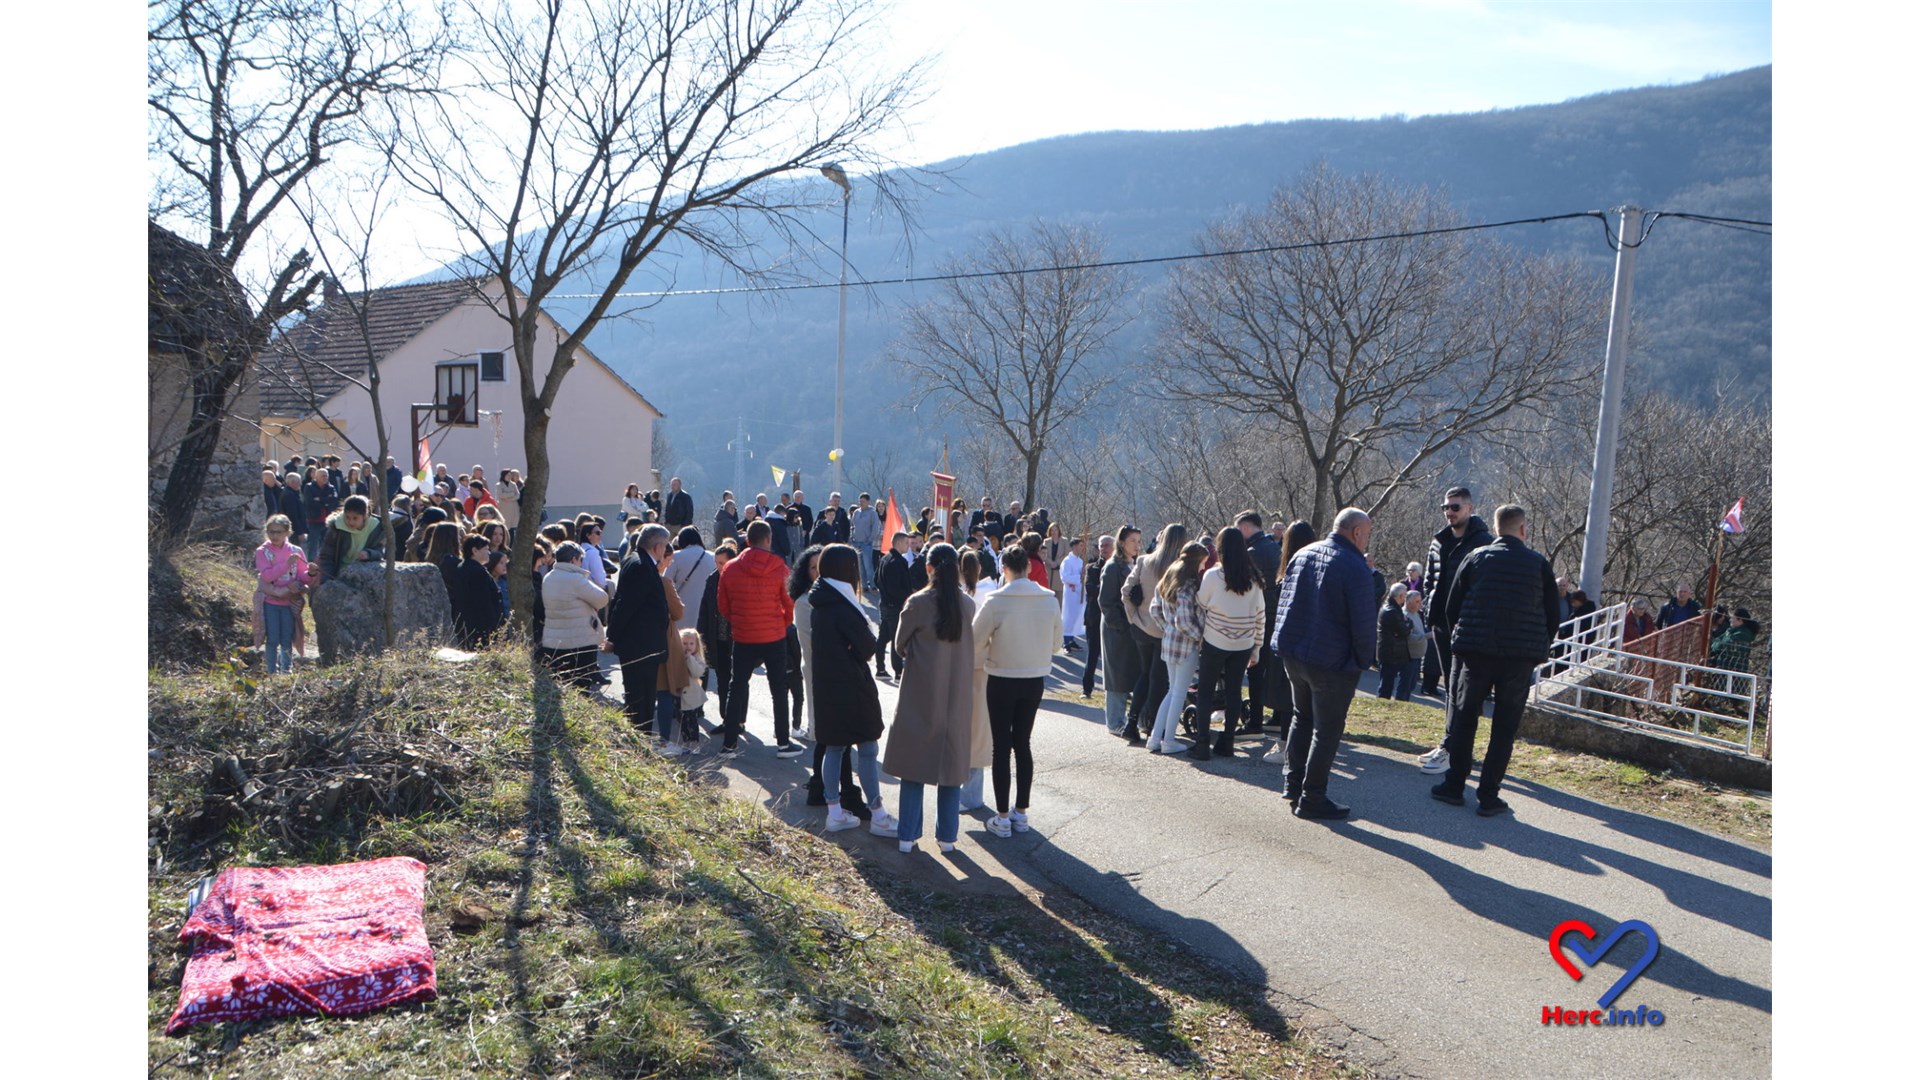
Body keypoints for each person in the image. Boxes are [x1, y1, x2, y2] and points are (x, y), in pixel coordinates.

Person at [1430, 504, 1559, 818]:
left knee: (1465, 719)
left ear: (1497, 528)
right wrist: (1536, 646)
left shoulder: (1477, 557)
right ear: (1523, 530)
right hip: (1518, 658)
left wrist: (1460, 637)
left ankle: (1454, 785)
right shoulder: (1539, 564)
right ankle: (1488, 795)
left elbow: (1451, 605)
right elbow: (1553, 615)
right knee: (1504, 727)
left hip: (1474, 653)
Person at [1271, 509, 1377, 820]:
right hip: (1331, 660)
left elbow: (1285, 603)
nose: (1367, 539)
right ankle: (1312, 796)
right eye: (1367, 534)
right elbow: (1363, 623)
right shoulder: (1355, 567)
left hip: (1295, 653)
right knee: (1327, 729)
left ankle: (1293, 784)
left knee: (1301, 717)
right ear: (1357, 532)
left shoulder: (1303, 553)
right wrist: (1363, 660)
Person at [884, 543, 977, 854]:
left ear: (928, 567)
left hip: (922, 691)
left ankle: (907, 837)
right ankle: (948, 838)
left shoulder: (918, 602)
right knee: (950, 769)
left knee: (914, 766)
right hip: (958, 695)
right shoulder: (967, 604)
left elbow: (899, 645)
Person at [972, 545, 1062, 838]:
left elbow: (974, 640)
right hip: (1034, 678)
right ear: (1028, 567)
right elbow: (1056, 644)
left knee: (1002, 746)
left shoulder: (997, 600)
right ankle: (1020, 813)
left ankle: (1001, 816)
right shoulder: (1048, 600)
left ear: (1004, 568)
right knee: (1023, 743)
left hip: (1001, 676)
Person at [810, 544, 898, 837]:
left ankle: (834, 812)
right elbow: (868, 647)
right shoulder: (843, 605)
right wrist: (858, 646)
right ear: (846, 570)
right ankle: (878, 814)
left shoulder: (821, 600)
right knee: (868, 748)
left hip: (828, 686)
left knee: (834, 747)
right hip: (852, 687)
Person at [1417, 485, 1495, 774]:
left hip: (1466, 628)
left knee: (1463, 692)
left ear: (1470, 508)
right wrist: (1429, 611)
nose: (1449, 512)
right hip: (1440, 625)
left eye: (1455, 507)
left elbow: (1483, 588)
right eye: (1446, 507)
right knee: (1449, 688)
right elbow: (1430, 580)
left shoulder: (1483, 542)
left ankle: (1454, 748)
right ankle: (1448, 745)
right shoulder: (1439, 541)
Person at [716, 519, 799, 758]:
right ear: (769, 539)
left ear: (747, 540)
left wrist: (740, 620)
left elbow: (723, 605)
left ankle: (729, 744)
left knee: (737, 687)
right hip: (773, 636)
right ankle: (783, 742)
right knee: (778, 689)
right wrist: (780, 625)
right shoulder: (780, 568)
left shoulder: (730, 568)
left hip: (743, 636)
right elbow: (789, 603)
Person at [1192, 527, 1267, 759]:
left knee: (1205, 691)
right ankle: (1228, 742)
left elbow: (1201, 602)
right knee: (1234, 692)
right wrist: (1257, 647)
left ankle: (1202, 742)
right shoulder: (1254, 578)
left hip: (1215, 639)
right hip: (1243, 643)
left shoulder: (1213, 576)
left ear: (1220, 550)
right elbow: (1260, 615)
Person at [1121, 524, 1185, 745]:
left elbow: (1126, 592)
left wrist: (1133, 617)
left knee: (1145, 674)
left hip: (1142, 626)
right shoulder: (1178, 566)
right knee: (1159, 680)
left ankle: (1132, 722)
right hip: (1165, 628)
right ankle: (1153, 726)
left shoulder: (1143, 560)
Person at [605, 524, 672, 736]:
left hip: (640, 643)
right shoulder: (642, 566)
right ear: (658, 546)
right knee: (641, 697)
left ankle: (640, 736)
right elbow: (626, 605)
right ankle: (640, 739)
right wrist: (612, 637)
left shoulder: (634, 560)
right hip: (641, 645)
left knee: (639, 696)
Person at [1145, 541, 1206, 754]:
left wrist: (1167, 627)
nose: (1203, 568)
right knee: (1178, 693)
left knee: (1172, 691)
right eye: (1203, 563)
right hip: (1185, 645)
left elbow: (1155, 610)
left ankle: (1155, 738)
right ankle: (1168, 740)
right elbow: (1185, 622)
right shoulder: (1188, 585)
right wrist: (1200, 638)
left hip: (1169, 641)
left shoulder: (1169, 578)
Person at [539, 541, 606, 689]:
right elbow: (602, 598)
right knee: (581, 688)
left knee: (562, 687)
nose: (581, 564)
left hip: (553, 640)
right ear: (573, 560)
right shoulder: (576, 579)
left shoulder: (548, 578)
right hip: (579, 641)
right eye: (580, 560)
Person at [1098, 527, 1142, 732]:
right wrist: (1121, 624)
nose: (1137, 545)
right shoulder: (1113, 566)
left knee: (1131, 672)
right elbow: (1105, 602)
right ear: (1122, 542)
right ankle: (1115, 721)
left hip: (1132, 628)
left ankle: (1133, 719)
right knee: (1117, 674)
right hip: (1116, 629)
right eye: (1133, 540)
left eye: (1139, 541)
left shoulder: (1134, 564)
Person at [253, 515, 309, 675]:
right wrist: (287, 564)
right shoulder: (263, 552)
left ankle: (286, 671)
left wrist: (311, 573)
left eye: (278, 532)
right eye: (271, 532)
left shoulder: (296, 551)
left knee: (286, 638)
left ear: (287, 532)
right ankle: (272, 672)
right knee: (272, 639)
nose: (274, 536)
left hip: (290, 602)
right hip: (270, 602)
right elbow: (267, 576)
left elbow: (302, 575)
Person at [696, 540, 737, 722]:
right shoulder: (712, 580)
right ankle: (726, 718)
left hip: (736, 639)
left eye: (722, 563)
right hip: (717, 638)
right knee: (721, 679)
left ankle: (738, 719)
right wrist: (700, 638)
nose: (719, 567)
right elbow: (704, 611)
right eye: (717, 562)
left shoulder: (738, 579)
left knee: (736, 681)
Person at [449, 534, 503, 648]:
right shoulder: (478, 572)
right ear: (475, 550)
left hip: (465, 626)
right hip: (480, 628)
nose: (489, 553)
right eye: (486, 549)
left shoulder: (461, 567)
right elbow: (484, 602)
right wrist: (493, 628)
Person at [314, 494, 385, 579]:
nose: (351, 522)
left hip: (364, 574)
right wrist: (327, 579)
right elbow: (326, 556)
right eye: (347, 517)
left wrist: (369, 554)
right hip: (339, 573)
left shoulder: (376, 527)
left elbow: (380, 552)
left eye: (355, 518)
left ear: (365, 516)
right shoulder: (337, 527)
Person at [875, 531, 914, 679]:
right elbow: (895, 587)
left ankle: (880, 669)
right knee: (896, 638)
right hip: (894, 605)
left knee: (884, 637)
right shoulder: (896, 562)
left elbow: (876, 578)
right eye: (906, 543)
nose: (908, 546)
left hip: (886, 603)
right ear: (898, 543)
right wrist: (906, 598)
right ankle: (898, 671)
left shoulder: (885, 558)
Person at [666, 527, 712, 633]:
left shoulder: (676, 557)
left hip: (681, 609)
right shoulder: (712, 557)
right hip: (706, 610)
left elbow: (666, 582)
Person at [1376, 583, 1417, 701]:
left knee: (1395, 680)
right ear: (1399, 596)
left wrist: (1406, 625)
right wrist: (1407, 625)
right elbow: (1404, 630)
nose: (1405, 598)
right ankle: (1381, 703)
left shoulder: (1394, 608)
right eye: (1404, 595)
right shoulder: (1391, 611)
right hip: (1389, 651)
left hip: (1395, 651)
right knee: (1386, 684)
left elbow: (1405, 625)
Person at [675, 628, 710, 755]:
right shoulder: (677, 657)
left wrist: (689, 659)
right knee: (682, 720)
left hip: (692, 696)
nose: (688, 647)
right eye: (684, 643)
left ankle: (695, 742)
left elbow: (697, 672)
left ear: (696, 645)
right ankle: (685, 741)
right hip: (680, 695)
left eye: (691, 644)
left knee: (692, 720)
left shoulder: (697, 658)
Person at [1710, 607, 1762, 690]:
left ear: (1740, 620)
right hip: (1723, 669)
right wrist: (1717, 644)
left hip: (1735, 673)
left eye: (1732, 618)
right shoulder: (1731, 631)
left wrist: (1717, 644)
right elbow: (1716, 642)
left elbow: (1721, 646)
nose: (1730, 620)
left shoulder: (1743, 635)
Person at [849, 492, 882, 588]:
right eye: (860, 501)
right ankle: (864, 586)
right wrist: (852, 537)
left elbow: (875, 528)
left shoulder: (872, 513)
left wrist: (870, 539)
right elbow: (852, 525)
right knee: (860, 566)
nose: (861, 503)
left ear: (868, 501)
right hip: (856, 542)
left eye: (863, 501)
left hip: (866, 543)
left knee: (868, 566)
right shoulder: (856, 512)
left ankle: (872, 585)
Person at [1059, 537, 1086, 650]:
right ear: (1074, 546)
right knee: (1068, 616)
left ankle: (1072, 639)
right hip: (1071, 592)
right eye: (1080, 545)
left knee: (1076, 616)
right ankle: (1065, 641)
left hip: (1079, 592)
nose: (1082, 548)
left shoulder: (1080, 561)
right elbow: (1064, 577)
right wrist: (1079, 577)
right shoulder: (1067, 561)